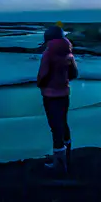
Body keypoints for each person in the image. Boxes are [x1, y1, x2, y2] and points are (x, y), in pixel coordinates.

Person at [37, 23, 79, 173]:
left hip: (50, 95)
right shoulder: (68, 53)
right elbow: (74, 73)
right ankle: (67, 154)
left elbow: (43, 74)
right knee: (63, 123)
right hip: (64, 93)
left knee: (55, 127)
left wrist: (40, 84)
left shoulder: (48, 53)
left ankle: (59, 163)